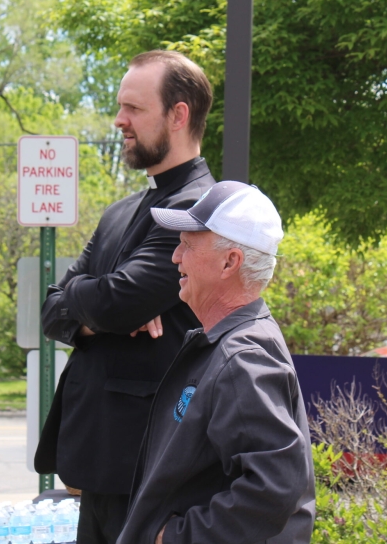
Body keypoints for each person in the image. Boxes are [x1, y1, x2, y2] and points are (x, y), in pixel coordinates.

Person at [34, 49, 217, 544]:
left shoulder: (198, 208)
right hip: (93, 467)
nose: (119, 120)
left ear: (178, 115)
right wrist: (96, 309)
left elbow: (118, 302)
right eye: (120, 107)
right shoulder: (120, 211)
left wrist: (94, 301)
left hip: (148, 468)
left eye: (134, 108)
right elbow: (50, 310)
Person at [117, 181, 315, 544]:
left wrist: (176, 537)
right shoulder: (229, 345)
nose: (176, 257)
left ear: (229, 262)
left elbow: (276, 486)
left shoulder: (243, 358)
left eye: (188, 245)